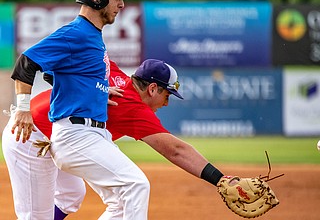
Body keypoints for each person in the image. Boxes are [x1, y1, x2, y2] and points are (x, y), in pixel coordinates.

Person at [8, 0, 151, 220]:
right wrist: (22, 109)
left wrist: (94, 93)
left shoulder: (92, 36)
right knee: (135, 185)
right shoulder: (77, 33)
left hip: (90, 133)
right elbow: (26, 64)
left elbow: (57, 74)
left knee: (121, 196)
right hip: (75, 134)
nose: (121, 5)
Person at [3, 59, 225, 219]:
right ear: (152, 88)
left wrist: (90, 91)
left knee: (72, 194)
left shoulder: (112, 71)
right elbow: (176, 150)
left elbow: (58, 70)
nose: (166, 103)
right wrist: (221, 180)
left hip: (55, 136)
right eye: (167, 96)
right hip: (28, 133)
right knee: (34, 216)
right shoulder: (134, 108)